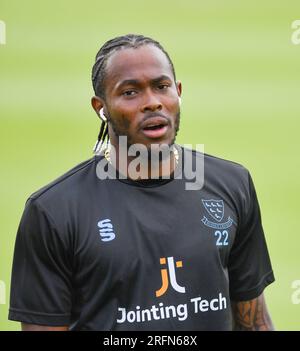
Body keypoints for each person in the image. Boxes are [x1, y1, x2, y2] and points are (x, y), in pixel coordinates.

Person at [9, 34, 275, 331]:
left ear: (179, 91)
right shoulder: (53, 212)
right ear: (101, 107)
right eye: (130, 92)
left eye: (162, 87)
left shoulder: (232, 184)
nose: (152, 103)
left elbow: (254, 322)